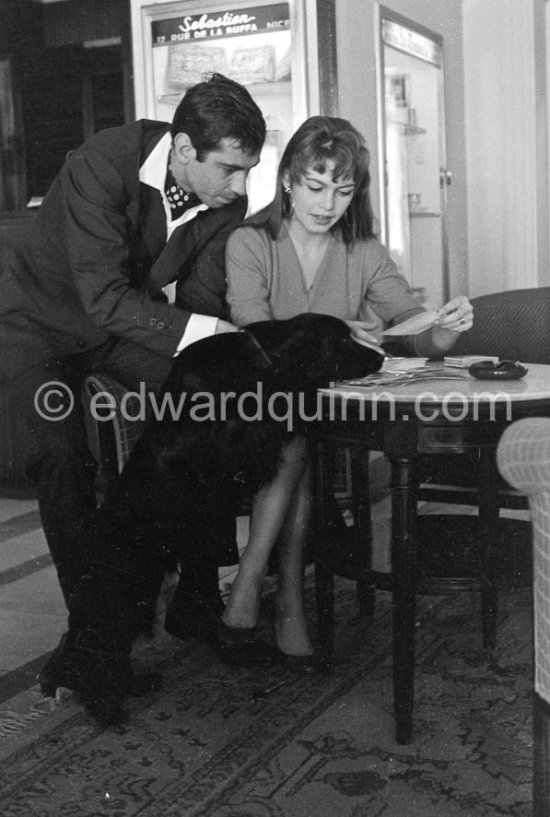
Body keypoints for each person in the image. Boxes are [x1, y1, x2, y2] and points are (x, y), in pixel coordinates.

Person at [0, 73, 268, 662]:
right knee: (61, 457)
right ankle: (92, 632)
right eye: (230, 168)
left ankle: (196, 597)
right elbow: (102, 299)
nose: (242, 185)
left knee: (211, 400)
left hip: (115, 330)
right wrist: (212, 332)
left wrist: (215, 350)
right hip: (36, 324)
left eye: (249, 169)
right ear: (182, 149)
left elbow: (198, 302)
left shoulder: (228, 198)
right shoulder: (99, 164)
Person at [223, 115, 474, 671]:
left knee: (301, 437)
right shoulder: (249, 241)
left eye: (343, 189)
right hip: (252, 403)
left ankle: (252, 581)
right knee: (295, 434)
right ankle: (284, 596)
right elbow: (255, 333)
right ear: (287, 178)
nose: (327, 202)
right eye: (315, 186)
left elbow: (412, 327)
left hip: (319, 414)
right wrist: (330, 331)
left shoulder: (363, 250)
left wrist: (446, 329)